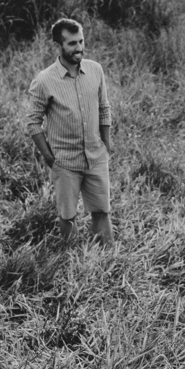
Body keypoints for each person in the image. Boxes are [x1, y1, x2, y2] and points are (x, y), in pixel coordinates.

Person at [26, 18, 114, 246]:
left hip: (96, 158)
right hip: (64, 162)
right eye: (72, 43)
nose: (79, 48)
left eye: (81, 41)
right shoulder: (44, 81)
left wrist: (106, 144)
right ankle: (73, 263)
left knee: (102, 212)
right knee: (68, 217)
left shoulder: (95, 70)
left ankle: (108, 262)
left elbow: (104, 108)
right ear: (59, 45)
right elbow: (33, 123)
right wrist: (49, 158)